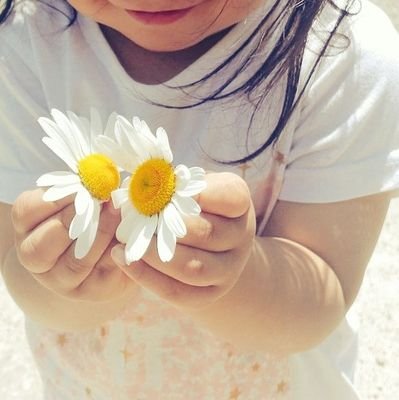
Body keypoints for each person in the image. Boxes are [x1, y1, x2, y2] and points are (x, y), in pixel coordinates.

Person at [0, 0, 398, 398]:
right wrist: (66, 274)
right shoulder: (23, 44)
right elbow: (16, 265)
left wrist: (240, 276)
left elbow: (323, 297)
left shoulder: (344, 53)